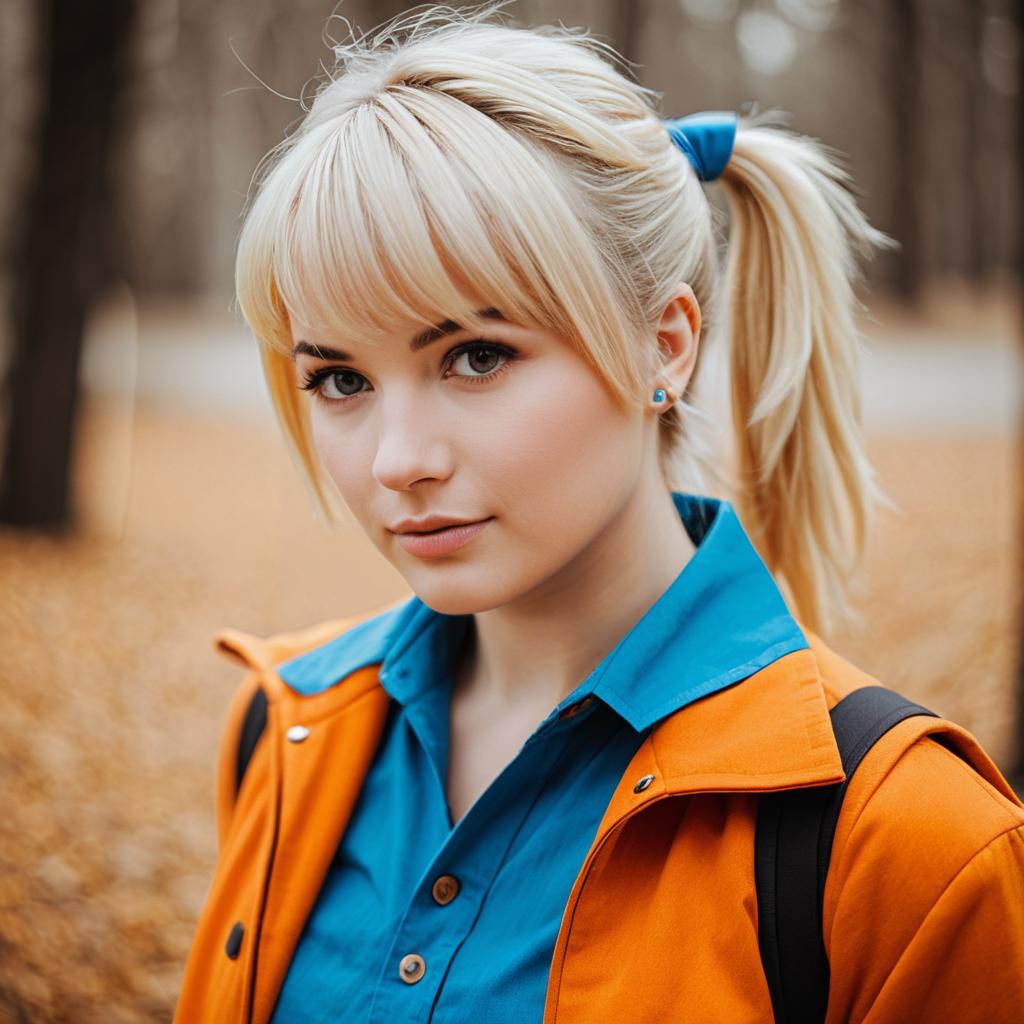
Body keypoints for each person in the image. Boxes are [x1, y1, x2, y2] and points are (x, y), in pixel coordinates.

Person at [174, 4, 1024, 1022]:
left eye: (475, 357)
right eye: (341, 380)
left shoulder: (909, 845)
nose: (397, 461)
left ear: (665, 344)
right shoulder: (285, 726)